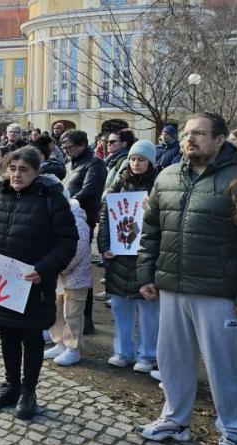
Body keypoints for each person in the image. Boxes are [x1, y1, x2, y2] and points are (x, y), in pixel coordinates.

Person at [137, 113, 237, 445]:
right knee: (172, 359)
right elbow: (151, 229)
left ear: (220, 139)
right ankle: (174, 420)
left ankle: (234, 430)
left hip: (219, 291)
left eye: (199, 133)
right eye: (187, 133)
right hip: (171, 286)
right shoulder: (167, 175)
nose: (190, 138)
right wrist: (146, 273)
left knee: (224, 367)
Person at [0, 146, 77, 420]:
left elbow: (67, 242)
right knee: (7, 332)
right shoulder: (0, 194)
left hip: (33, 283)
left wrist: (44, 269)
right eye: (12, 168)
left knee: (30, 336)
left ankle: (29, 392)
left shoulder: (51, 198)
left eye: (24, 169)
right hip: (1, 282)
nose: (16, 174)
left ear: (36, 172)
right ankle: (11, 386)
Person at [97, 140, 160, 372]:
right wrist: (104, 245)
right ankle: (123, 351)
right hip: (120, 256)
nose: (136, 163)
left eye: (141, 159)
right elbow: (105, 215)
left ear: (150, 161)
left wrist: (152, 207)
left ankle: (147, 355)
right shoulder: (118, 182)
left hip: (145, 255)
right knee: (120, 306)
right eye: (133, 159)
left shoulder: (159, 183)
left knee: (148, 309)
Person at [61, 129, 107, 335]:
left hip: (83, 220)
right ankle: (65, 317)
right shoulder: (71, 163)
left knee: (80, 271)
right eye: (64, 148)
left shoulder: (95, 164)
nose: (67, 151)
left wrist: (66, 205)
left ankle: (85, 319)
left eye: (69, 147)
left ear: (81, 145)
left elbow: (90, 192)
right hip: (67, 219)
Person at [44, 197, 92, 366]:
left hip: (75, 277)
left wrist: (56, 266)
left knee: (72, 314)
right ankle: (59, 342)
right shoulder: (57, 220)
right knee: (57, 310)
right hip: (59, 276)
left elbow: (77, 252)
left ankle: (73, 348)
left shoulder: (79, 223)